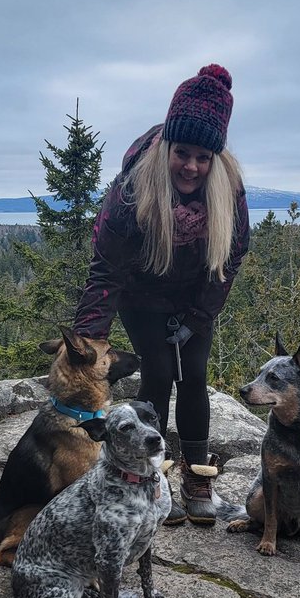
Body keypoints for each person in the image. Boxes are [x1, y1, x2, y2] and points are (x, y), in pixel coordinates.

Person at [73, 63, 250, 526]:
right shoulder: (132, 190)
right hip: (142, 294)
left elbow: (229, 258)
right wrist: (87, 345)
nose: (192, 166)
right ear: (168, 147)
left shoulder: (228, 190)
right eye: (183, 153)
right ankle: (154, 475)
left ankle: (197, 477)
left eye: (203, 157)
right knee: (157, 373)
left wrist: (198, 315)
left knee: (192, 372)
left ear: (215, 160)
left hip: (195, 295)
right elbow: (106, 270)